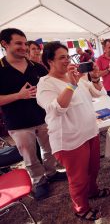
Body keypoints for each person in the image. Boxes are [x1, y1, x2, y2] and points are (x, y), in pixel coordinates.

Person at [37, 42, 110, 221]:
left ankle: (93, 191)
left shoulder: (76, 77)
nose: (67, 60)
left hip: (90, 132)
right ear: (49, 61)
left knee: (93, 169)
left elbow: (99, 94)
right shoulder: (45, 84)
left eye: (68, 56)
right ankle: (81, 208)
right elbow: (55, 109)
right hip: (70, 140)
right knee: (78, 178)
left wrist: (94, 78)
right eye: (61, 57)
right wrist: (71, 85)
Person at [0, 28, 67, 200]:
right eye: (18, 43)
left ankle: (51, 173)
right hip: (18, 123)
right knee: (29, 155)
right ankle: (39, 180)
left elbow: (51, 85)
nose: (24, 47)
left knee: (49, 149)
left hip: (43, 118)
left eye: (24, 43)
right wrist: (18, 96)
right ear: (5, 44)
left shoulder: (36, 67)